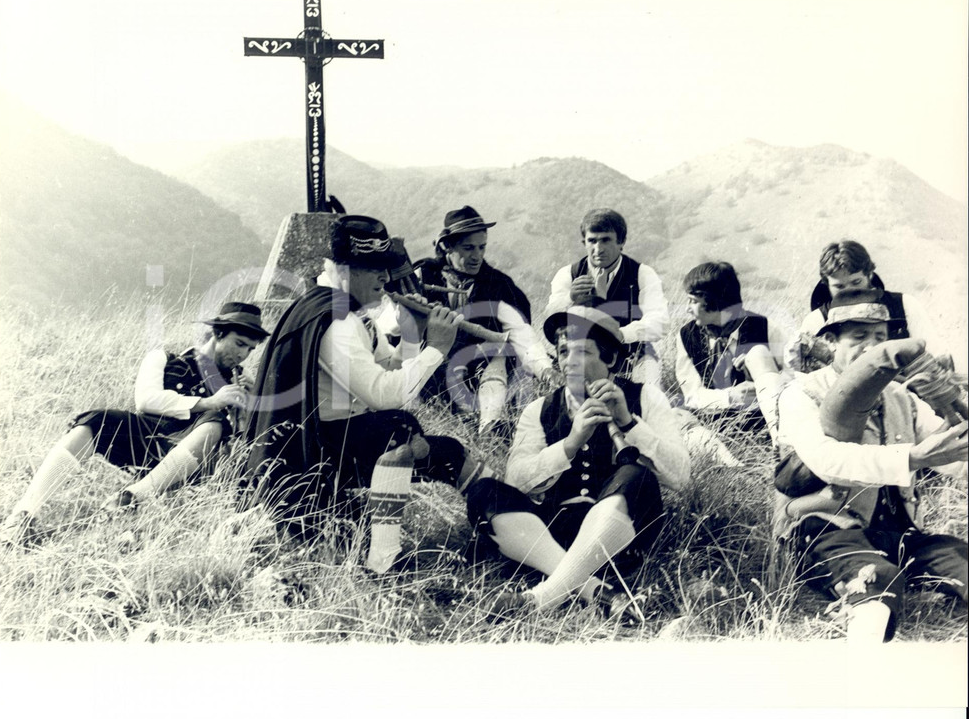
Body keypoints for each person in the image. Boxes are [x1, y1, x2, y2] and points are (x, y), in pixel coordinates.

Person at [243, 215, 496, 573]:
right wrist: (437, 348)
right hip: (310, 459)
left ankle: (499, 519)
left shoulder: (335, 308)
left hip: (320, 446)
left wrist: (411, 334)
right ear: (344, 270)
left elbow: (385, 371)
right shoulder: (337, 321)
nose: (385, 278)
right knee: (400, 432)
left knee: (440, 449)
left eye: (385, 268)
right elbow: (385, 395)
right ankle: (386, 559)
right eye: (373, 269)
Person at [466, 306, 690, 619]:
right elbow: (516, 479)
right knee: (484, 492)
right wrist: (569, 444)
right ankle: (597, 591)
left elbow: (681, 477)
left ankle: (541, 598)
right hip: (551, 537)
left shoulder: (646, 398)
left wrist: (628, 423)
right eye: (562, 352)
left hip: (619, 540)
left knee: (635, 475)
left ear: (611, 358)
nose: (569, 362)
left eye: (582, 352)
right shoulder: (538, 409)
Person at [775, 290, 968, 642]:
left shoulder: (901, 395)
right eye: (859, 336)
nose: (872, 346)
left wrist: (956, 417)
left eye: (880, 337)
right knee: (875, 578)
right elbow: (827, 460)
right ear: (830, 342)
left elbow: (952, 457)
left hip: (901, 534)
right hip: (826, 530)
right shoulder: (801, 394)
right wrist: (913, 458)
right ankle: (862, 666)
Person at [0, 301, 269, 547]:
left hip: (191, 462)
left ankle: (131, 499)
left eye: (250, 349)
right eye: (239, 344)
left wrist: (252, 404)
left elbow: (243, 442)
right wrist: (210, 402)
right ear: (218, 333)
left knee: (215, 423)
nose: (243, 355)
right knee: (96, 420)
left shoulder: (238, 382)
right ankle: (23, 514)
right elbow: (146, 401)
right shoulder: (164, 358)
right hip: (146, 438)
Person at [414, 205, 554, 438]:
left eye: (482, 247)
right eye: (468, 248)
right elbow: (393, 327)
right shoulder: (423, 276)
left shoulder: (498, 284)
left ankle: (490, 424)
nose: (477, 256)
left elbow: (520, 332)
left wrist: (545, 370)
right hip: (430, 369)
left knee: (501, 353)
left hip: (480, 370)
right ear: (447, 247)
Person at [547, 208, 668, 385]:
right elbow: (550, 318)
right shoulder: (567, 274)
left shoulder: (642, 274)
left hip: (633, 357)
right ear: (584, 242)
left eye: (606, 240)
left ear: (622, 241)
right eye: (592, 241)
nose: (598, 249)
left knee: (648, 387)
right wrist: (570, 298)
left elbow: (661, 322)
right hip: (581, 356)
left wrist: (622, 334)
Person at [794, 240, 950, 368]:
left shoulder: (904, 305)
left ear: (869, 275)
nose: (849, 291)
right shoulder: (816, 321)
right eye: (839, 287)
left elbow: (936, 354)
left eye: (856, 282)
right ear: (826, 284)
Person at [676, 261, 785, 444]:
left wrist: (763, 379)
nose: (687, 308)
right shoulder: (686, 336)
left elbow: (793, 375)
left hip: (763, 421)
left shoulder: (764, 326)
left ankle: (780, 443)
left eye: (693, 301)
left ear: (715, 301)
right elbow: (692, 395)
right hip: (713, 424)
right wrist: (730, 397)